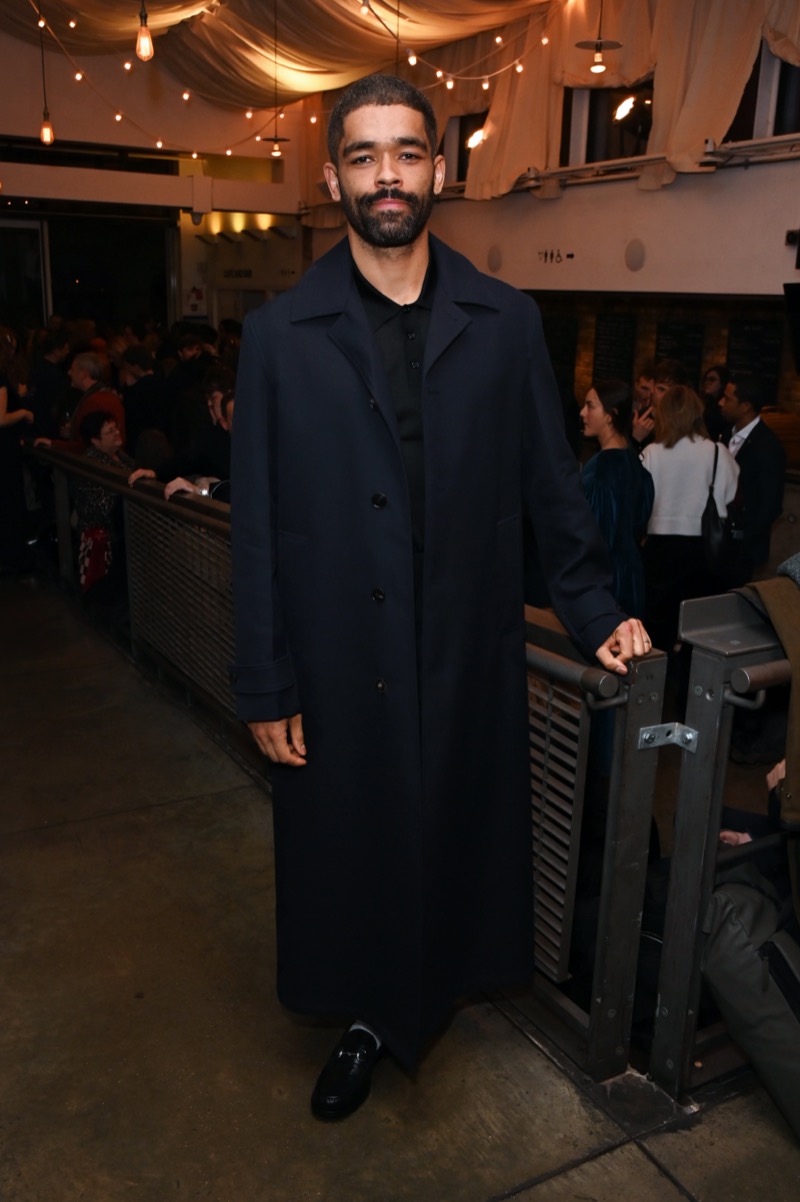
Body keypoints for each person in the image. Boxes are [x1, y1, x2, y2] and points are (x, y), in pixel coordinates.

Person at [229, 73, 649, 1122]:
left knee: (448, 834)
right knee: (353, 845)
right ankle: (367, 1018)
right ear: (333, 176)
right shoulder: (280, 335)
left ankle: (427, 996)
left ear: (438, 170)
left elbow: (552, 491)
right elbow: (259, 524)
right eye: (364, 155)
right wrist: (264, 674)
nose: (386, 175)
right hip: (332, 653)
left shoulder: (504, 320)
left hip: (460, 646)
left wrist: (596, 612)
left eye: (406, 153)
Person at [641, 384, 738, 659]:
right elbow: (729, 495)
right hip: (703, 550)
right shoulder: (718, 452)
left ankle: (652, 692)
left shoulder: (651, 453)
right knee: (697, 633)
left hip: (660, 549)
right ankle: (690, 696)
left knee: (657, 628)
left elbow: (642, 502)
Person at [579, 379, 654, 616]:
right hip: (631, 573)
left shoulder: (600, 468)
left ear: (610, 415)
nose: (583, 413)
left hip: (604, 580)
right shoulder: (635, 463)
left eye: (590, 406)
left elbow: (595, 536)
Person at [718, 371, 786, 586]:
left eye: (728, 398)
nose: (721, 402)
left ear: (745, 406)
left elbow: (771, 505)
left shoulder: (767, 446)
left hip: (742, 548)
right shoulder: (725, 433)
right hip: (719, 540)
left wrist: (744, 539)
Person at [74, 409, 134, 601]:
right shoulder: (95, 466)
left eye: (116, 427)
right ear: (95, 440)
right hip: (111, 535)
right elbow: (103, 507)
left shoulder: (120, 456)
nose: (117, 432)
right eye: (110, 431)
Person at [0, 328, 35, 572]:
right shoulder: (1, 378)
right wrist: (23, 411)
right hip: (5, 450)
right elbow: (0, 418)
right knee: (10, 501)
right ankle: (13, 558)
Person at [699, 362, 729, 443]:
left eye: (712, 379)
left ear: (722, 383)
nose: (707, 382)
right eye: (706, 379)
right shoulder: (703, 401)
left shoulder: (726, 404)